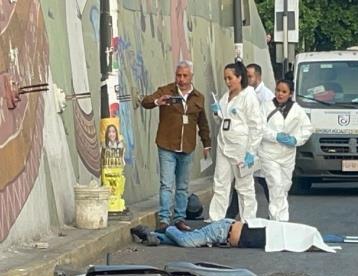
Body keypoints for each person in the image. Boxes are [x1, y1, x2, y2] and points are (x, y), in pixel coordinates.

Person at [141, 60, 211, 232]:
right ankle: (164, 219)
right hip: (167, 145)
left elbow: (202, 122)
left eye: (185, 76)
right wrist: (158, 101)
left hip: (187, 147)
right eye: (178, 75)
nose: (181, 79)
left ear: (191, 76)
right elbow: (146, 102)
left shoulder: (198, 97)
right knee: (166, 184)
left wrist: (206, 143)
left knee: (182, 186)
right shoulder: (166, 91)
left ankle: (179, 218)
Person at [208, 62, 263, 222]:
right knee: (220, 184)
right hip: (224, 146)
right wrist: (216, 113)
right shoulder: (226, 97)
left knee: (244, 187)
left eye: (230, 78)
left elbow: (256, 126)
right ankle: (215, 220)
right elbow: (223, 122)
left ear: (239, 77)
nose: (227, 82)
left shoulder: (248, 96)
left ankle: (248, 222)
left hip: (241, 149)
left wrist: (251, 152)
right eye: (225, 78)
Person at [258, 79, 312, 221]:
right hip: (269, 153)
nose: (280, 94)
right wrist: (275, 136)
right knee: (275, 184)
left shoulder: (297, 110)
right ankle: (279, 220)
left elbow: (308, 129)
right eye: (278, 90)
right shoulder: (266, 106)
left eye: (284, 92)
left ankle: (279, 219)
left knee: (284, 187)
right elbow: (259, 128)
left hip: (287, 155)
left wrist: (296, 139)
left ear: (290, 94)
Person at [130, 218, 336, 253]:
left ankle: (152, 236)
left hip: (222, 236)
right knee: (186, 242)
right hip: (222, 230)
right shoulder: (281, 233)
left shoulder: (281, 239)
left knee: (189, 240)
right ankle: (170, 228)